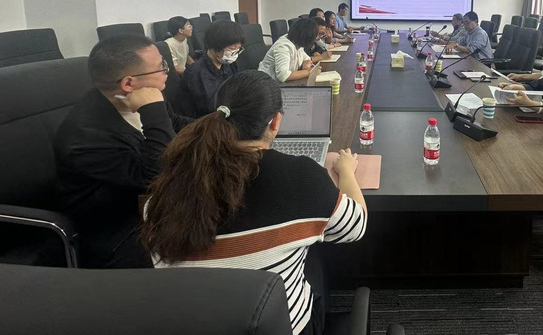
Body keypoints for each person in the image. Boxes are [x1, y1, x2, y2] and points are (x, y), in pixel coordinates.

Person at [142, 71, 366, 335]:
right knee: (315, 252)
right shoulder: (300, 176)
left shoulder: (164, 192)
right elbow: (355, 227)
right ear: (276, 122)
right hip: (279, 327)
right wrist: (346, 171)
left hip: (192, 326)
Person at [53, 34, 192, 268]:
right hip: (120, 229)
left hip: (152, 206)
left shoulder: (142, 95)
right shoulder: (84, 138)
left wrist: (222, 124)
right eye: (161, 67)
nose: (166, 72)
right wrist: (154, 111)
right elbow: (158, 176)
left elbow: (173, 122)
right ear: (128, 84)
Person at [179, 20, 244, 117]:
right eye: (232, 49)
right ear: (216, 47)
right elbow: (208, 109)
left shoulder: (230, 64)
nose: (235, 54)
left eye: (238, 49)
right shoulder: (195, 74)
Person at [259, 17, 321, 82]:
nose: (316, 39)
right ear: (307, 37)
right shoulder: (283, 47)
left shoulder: (297, 43)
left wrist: (306, 65)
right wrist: (309, 72)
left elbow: (307, 59)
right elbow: (283, 76)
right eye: (314, 37)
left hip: (282, 83)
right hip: (266, 83)